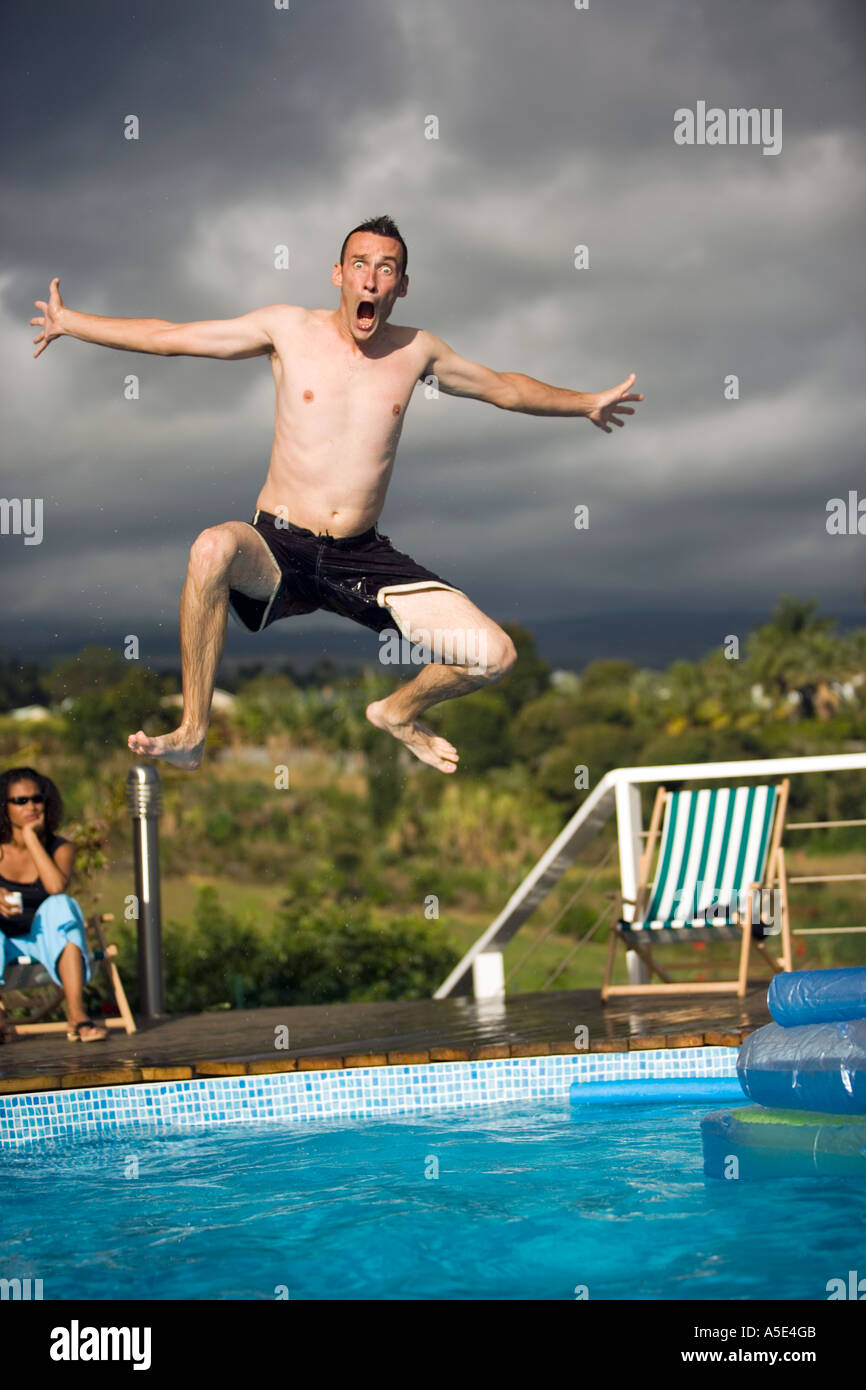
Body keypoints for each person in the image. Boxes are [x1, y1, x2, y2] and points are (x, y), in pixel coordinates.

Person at [32, 214, 643, 774]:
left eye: (386, 269)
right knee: (212, 547)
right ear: (337, 275)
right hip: (277, 546)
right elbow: (171, 336)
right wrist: (71, 322)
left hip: (361, 557)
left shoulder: (417, 350)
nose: (371, 279)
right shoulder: (285, 329)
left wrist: (586, 402)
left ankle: (397, 711)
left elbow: (504, 388)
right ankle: (194, 729)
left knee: (494, 655)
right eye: (360, 264)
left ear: (401, 285)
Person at [0, 767, 106, 1043]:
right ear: (4, 806)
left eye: (37, 799)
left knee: (61, 904)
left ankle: (77, 1015)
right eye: (21, 801)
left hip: (44, 941)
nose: (32, 806)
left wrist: (32, 838)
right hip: (4, 943)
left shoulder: (60, 847)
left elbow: (55, 887)